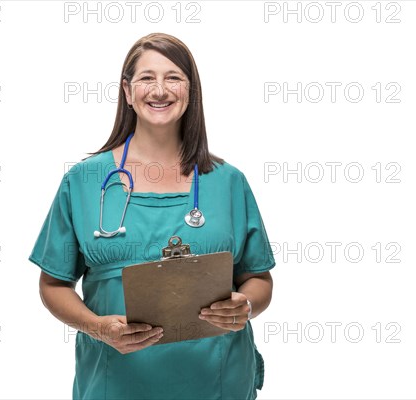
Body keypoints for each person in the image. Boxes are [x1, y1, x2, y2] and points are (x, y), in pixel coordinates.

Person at [28, 32, 276, 399]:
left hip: (218, 384)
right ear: (127, 92)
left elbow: (259, 278)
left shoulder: (227, 182)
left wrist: (247, 305)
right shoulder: (84, 181)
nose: (159, 90)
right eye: (147, 78)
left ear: (191, 92)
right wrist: (97, 328)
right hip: (116, 385)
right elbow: (53, 285)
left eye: (173, 77)